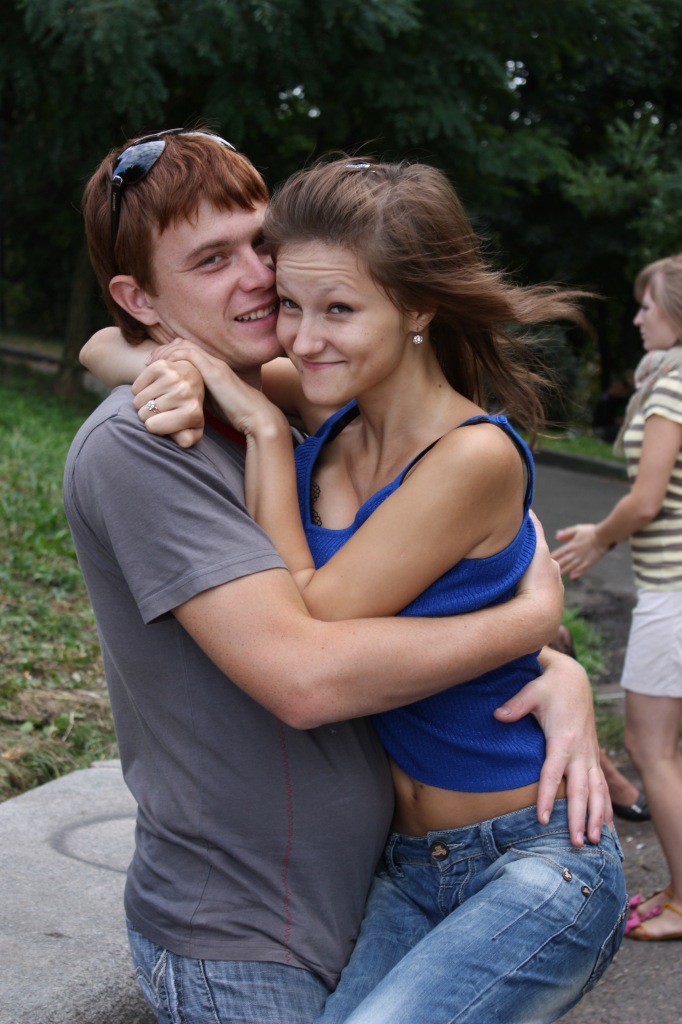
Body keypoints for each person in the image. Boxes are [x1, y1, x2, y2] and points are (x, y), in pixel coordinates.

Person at [70, 129, 610, 1024]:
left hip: (497, 856)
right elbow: (101, 343)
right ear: (143, 299)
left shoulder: (330, 411)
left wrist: (548, 653)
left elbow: (359, 608)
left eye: (263, 250)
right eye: (215, 261)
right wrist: (168, 360)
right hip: (327, 898)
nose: (268, 293)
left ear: (415, 306)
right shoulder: (254, 416)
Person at [553, 253, 682, 942]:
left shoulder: (672, 388)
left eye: (646, 306)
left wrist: (599, 539)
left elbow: (648, 499)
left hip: (673, 591)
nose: (635, 319)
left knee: (649, 746)